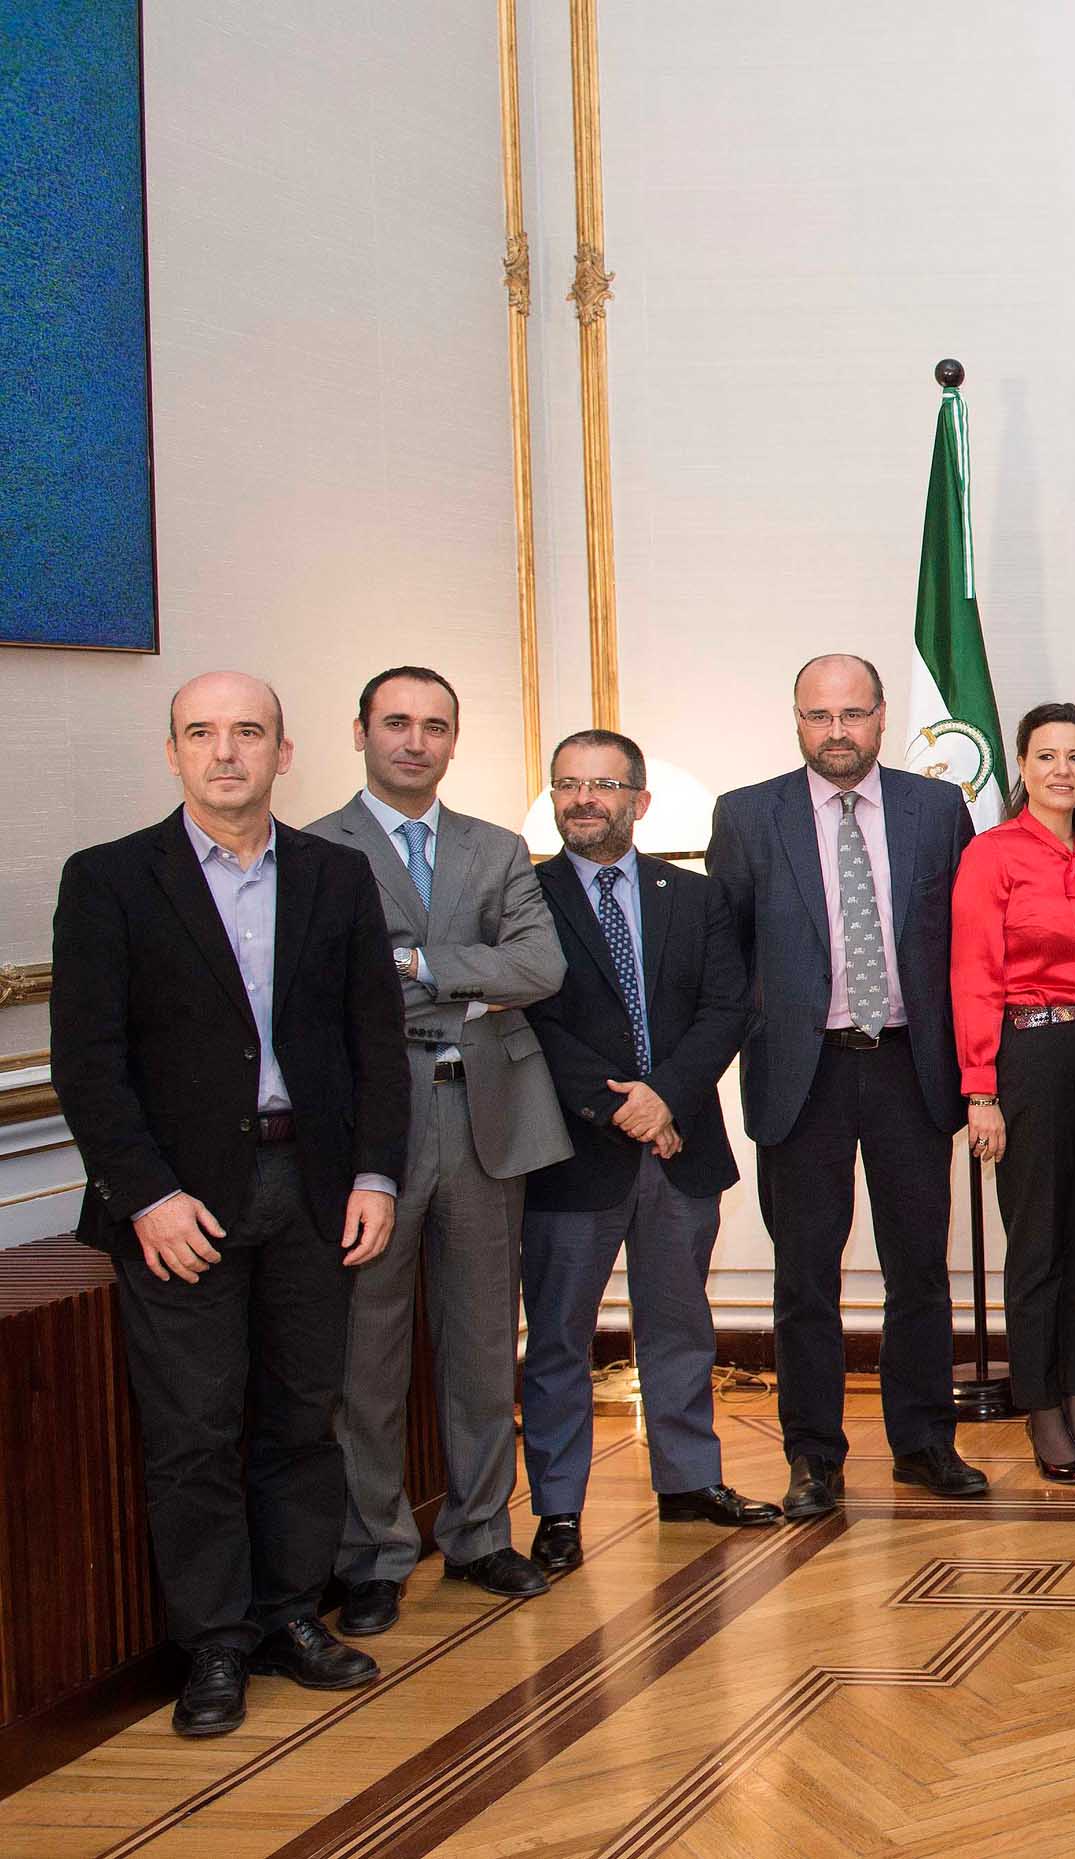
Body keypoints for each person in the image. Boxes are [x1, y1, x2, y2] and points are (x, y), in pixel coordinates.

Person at [51, 671, 405, 1736]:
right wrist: (146, 1195)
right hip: (180, 1205)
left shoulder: (336, 874)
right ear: (172, 753)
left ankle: (291, 1612)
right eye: (201, 732)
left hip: (312, 1188)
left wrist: (375, 1175)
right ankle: (214, 1642)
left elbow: (374, 1040)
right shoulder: (109, 879)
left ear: (283, 753)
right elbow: (88, 1062)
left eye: (248, 732)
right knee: (195, 1430)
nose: (225, 752)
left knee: (302, 1416)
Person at [308, 667, 569, 1630]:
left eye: (435, 725)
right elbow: (330, 988)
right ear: (360, 732)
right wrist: (470, 982)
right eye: (396, 723)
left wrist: (414, 962)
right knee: (367, 1354)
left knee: (482, 1342)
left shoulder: (496, 847)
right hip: (373, 1123)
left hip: (483, 1115)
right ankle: (373, 1554)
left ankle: (480, 1535)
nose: (415, 741)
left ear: (454, 739)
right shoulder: (313, 850)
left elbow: (539, 966)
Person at [706, 653, 988, 1517]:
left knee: (919, 1270)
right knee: (805, 1278)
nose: (837, 731)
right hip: (803, 1073)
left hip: (909, 1064)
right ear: (797, 719)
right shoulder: (747, 815)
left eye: (853, 714)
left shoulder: (936, 808)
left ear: (881, 716)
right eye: (819, 715)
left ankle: (924, 1442)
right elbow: (725, 953)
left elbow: (967, 941)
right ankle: (813, 1456)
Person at [517, 730, 779, 1569]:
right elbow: (534, 1020)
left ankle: (689, 1479)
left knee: (679, 1325)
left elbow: (728, 1007)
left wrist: (664, 1095)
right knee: (559, 1338)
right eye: (567, 784)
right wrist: (622, 1107)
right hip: (571, 1155)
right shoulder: (524, 896)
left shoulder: (694, 896)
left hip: (679, 1146)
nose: (582, 799)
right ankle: (559, 1508)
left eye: (601, 784)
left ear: (640, 799)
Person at [952, 703, 1075, 1481]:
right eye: (1046, 756)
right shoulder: (991, 855)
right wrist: (980, 1091)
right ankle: (1040, 1409)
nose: (1062, 769)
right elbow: (973, 974)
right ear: (1023, 767)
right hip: (1031, 1052)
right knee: (1038, 1240)